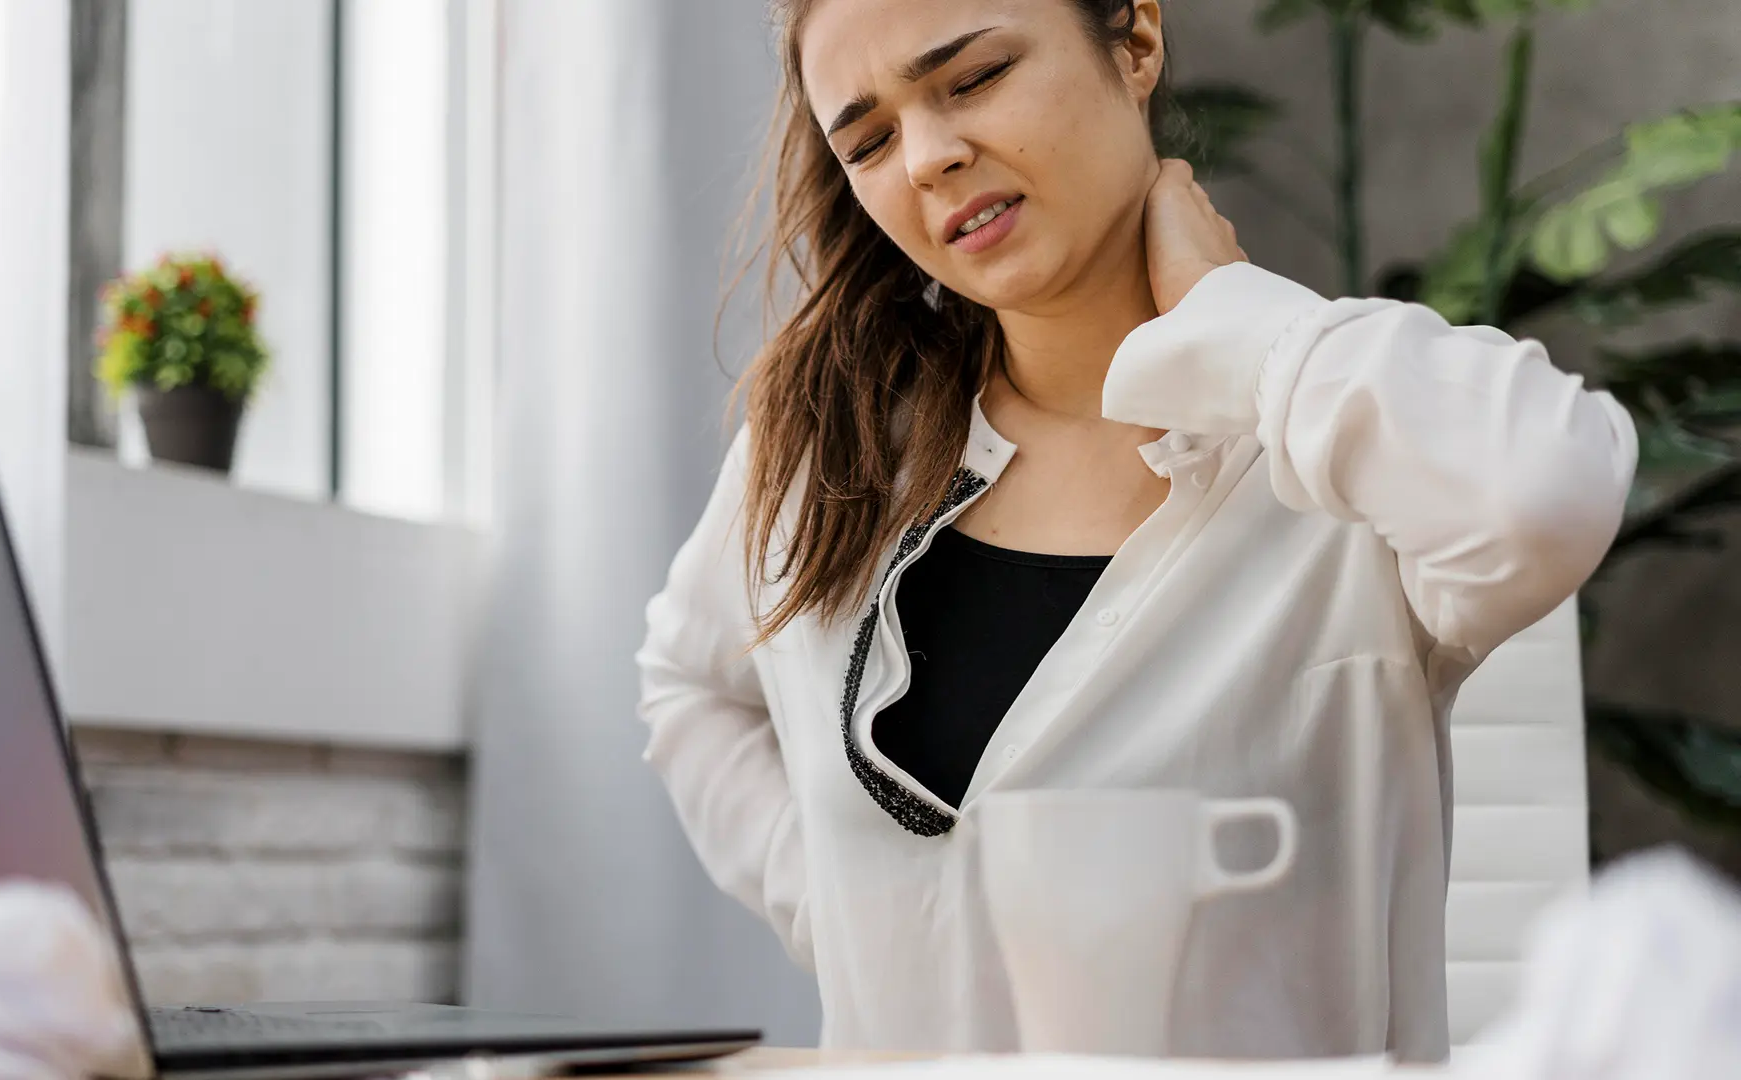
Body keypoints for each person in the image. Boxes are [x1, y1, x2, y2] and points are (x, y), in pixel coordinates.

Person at [635, 0, 1636, 1062]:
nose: (929, 157)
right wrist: (846, 904)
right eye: (870, 140)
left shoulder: (1326, 448)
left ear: (1138, 41)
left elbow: (1547, 494)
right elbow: (688, 683)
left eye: (972, 79)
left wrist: (1230, 317)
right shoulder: (831, 458)